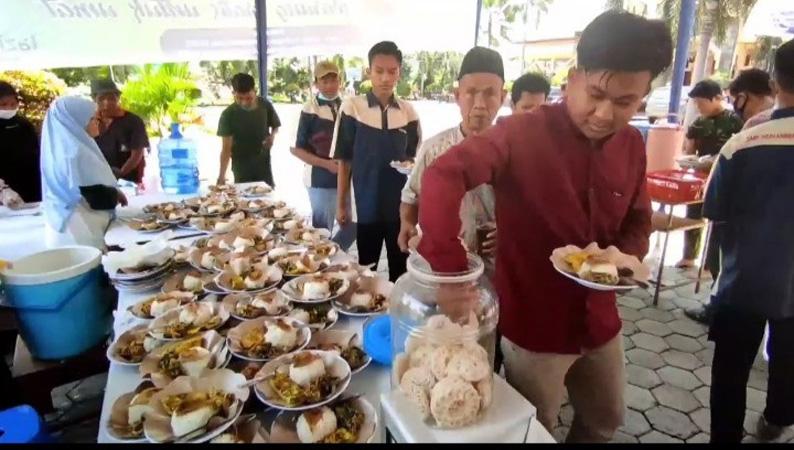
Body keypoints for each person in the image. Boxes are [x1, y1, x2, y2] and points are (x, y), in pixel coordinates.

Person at [416, 11, 673, 443]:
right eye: (595, 94)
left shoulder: (631, 145)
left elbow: (637, 218)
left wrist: (623, 259)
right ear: (574, 78)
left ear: (643, 96)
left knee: (605, 418)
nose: (605, 113)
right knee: (534, 431)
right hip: (534, 328)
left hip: (601, 321)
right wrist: (449, 270)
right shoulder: (519, 133)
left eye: (626, 102)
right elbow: (444, 176)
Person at [705, 38, 794, 444]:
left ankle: (725, 437)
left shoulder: (745, 142)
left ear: (775, 81)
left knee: (730, 369)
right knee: (790, 361)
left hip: (744, 282)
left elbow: (715, 211)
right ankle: (776, 421)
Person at [398, 46, 505, 271]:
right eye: (472, 92)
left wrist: (510, 229)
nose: (480, 103)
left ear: (503, 97)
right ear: (457, 96)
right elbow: (411, 197)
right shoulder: (434, 149)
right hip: (446, 268)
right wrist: (407, 223)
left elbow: (531, 212)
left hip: (498, 269)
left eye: (490, 93)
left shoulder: (513, 152)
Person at [685, 68, 776, 325]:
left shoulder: (755, 126)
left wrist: (715, 209)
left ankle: (720, 310)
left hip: (742, 217)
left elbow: (721, 193)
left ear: (743, 96)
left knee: (726, 263)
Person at [333, 41, 421, 281]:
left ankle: (395, 317)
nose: (385, 78)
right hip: (366, 205)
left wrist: (414, 212)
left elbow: (415, 164)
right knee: (367, 272)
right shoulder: (352, 107)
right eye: (379, 71)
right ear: (368, 71)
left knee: (400, 272)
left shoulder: (409, 112)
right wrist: (342, 204)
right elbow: (344, 161)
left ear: (399, 73)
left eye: (392, 71)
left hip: (399, 209)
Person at [40, 96, 128, 250]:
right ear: (75, 122)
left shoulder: (62, 148)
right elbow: (94, 196)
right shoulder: (75, 153)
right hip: (78, 230)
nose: (97, 123)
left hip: (66, 224)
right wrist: (115, 194)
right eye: (92, 119)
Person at [675, 80, 743, 270]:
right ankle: (689, 256)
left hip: (724, 179)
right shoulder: (699, 123)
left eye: (701, 102)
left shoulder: (735, 121)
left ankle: (710, 263)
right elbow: (690, 149)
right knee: (693, 216)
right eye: (695, 102)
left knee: (717, 220)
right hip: (699, 178)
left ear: (717, 98)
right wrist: (688, 160)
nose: (698, 106)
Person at [291, 61, 356, 251]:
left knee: (353, 225)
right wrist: (325, 165)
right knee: (321, 229)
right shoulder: (309, 110)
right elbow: (296, 149)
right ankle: (318, 266)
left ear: (340, 80)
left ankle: (331, 254)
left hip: (349, 179)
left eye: (333, 80)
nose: (329, 85)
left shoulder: (349, 106)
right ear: (316, 83)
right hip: (320, 180)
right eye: (324, 81)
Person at [217, 73, 281, 186]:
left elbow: (275, 125)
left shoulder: (265, 105)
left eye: (248, 98)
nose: (244, 102)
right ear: (233, 94)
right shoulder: (228, 115)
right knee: (243, 198)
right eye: (239, 98)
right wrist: (221, 177)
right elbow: (226, 149)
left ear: (255, 91)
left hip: (264, 166)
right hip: (241, 168)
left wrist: (272, 137)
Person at [91, 79, 149, 185]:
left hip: (128, 181)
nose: (107, 103)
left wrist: (120, 173)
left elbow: (137, 154)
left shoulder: (133, 121)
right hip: (100, 179)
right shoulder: (91, 121)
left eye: (111, 98)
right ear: (94, 100)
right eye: (101, 98)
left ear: (118, 98)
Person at [0, 81, 41, 202]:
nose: (9, 108)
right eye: (3, 104)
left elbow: (36, 151)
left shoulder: (24, 124)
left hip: (30, 185)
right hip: (4, 191)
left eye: (13, 104)